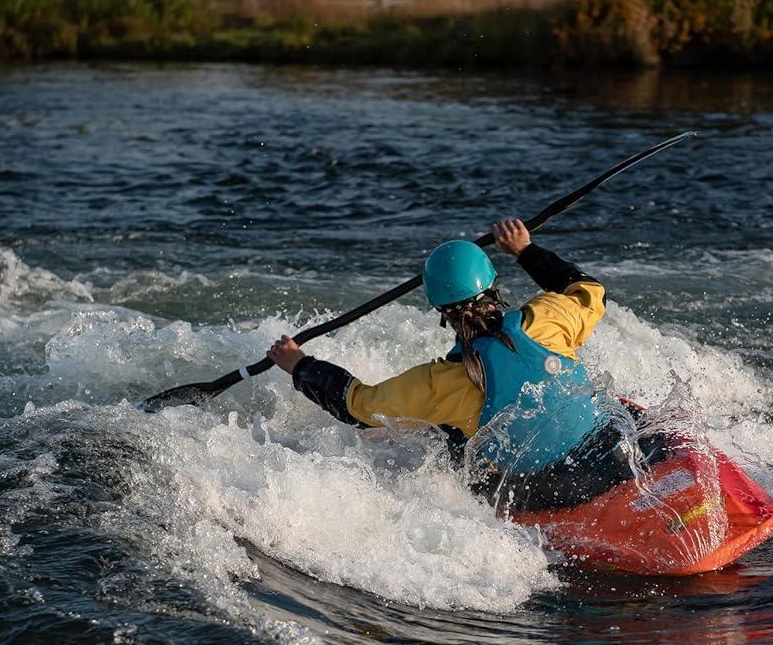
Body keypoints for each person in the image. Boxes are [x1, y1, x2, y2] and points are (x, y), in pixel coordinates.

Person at [266, 218, 668, 513]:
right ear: (493, 285)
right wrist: (526, 250)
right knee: (618, 409)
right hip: (616, 457)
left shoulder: (438, 384)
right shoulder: (547, 319)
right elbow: (589, 290)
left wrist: (298, 364)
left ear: (440, 311)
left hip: (549, 492)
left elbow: (356, 406)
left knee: (447, 435)